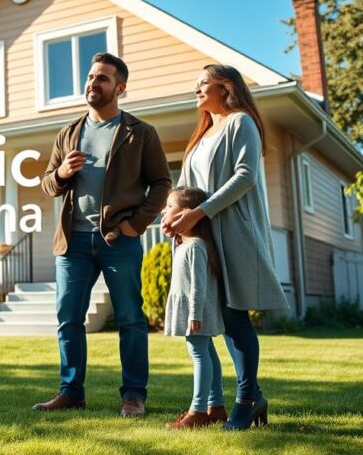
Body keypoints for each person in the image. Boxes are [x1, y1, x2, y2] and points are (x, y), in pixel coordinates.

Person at [34, 52, 171, 417]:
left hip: (118, 239)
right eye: (91, 77)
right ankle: (70, 391)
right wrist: (62, 172)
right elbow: (47, 184)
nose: (93, 83)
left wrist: (135, 224)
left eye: (103, 78)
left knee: (130, 318)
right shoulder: (68, 133)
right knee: (68, 318)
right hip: (73, 241)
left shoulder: (140, 133)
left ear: (120, 88)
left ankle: (133, 396)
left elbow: (161, 183)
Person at [163, 64, 289, 431]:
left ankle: (248, 398)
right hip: (202, 238)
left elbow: (245, 175)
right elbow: (184, 190)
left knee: (235, 319)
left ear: (226, 86)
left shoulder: (241, 123)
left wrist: (197, 213)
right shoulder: (200, 138)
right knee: (209, 323)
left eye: (202, 83)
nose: (196, 90)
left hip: (233, 233)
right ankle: (212, 405)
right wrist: (173, 218)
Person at [161, 187, 227, 429]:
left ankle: (198, 411)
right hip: (194, 311)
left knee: (199, 354)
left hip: (196, 311)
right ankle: (216, 406)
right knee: (207, 352)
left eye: (169, 206)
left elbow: (199, 286)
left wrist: (194, 314)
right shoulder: (185, 244)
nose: (163, 210)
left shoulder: (197, 246)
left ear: (186, 214)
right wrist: (173, 233)